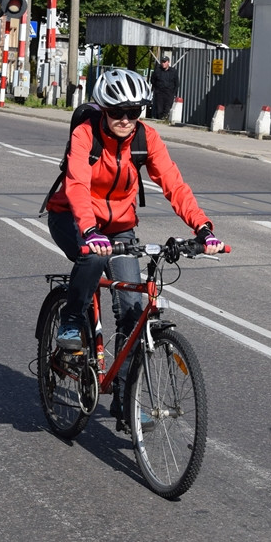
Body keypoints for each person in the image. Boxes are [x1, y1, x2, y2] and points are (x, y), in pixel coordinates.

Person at [44, 68, 222, 428]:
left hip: (121, 227)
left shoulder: (146, 138)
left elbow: (174, 184)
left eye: (133, 112)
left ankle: (125, 403)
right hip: (72, 218)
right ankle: (72, 321)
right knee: (92, 258)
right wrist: (90, 230)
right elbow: (77, 184)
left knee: (132, 311)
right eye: (117, 112)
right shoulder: (85, 135)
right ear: (104, 109)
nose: (125, 119)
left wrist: (203, 228)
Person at [150, 55, 179, 119]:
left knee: (167, 108)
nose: (163, 63)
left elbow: (176, 83)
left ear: (168, 62)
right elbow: (153, 80)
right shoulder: (157, 71)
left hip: (169, 93)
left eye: (165, 62)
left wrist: (174, 93)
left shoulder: (173, 71)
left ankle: (165, 118)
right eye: (162, 62)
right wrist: (156, 89)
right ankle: (160, 118)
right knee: (159, 109)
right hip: (159, 92)